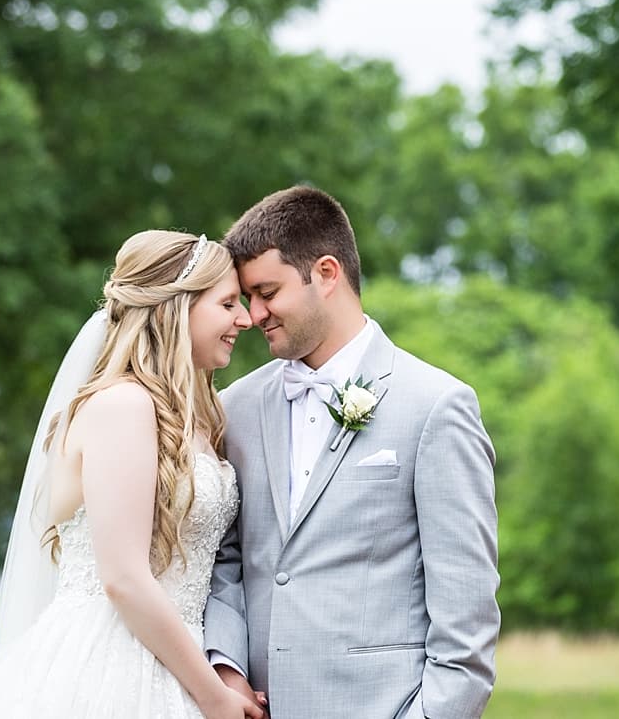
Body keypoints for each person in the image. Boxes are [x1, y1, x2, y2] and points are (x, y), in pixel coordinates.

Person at [0, 230, 263, 719]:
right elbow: (123, 578)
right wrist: (212, 697)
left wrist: (224, 675)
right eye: (228, 303)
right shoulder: (123, 406)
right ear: (176, 308)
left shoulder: (202, 416)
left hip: (180, 656)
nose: (246, 318)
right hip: (113, 663)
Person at [204, 185, 499, 719]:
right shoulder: (234, 408)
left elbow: (467, 614)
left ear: (326, 273)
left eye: (267, 292)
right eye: (247, 297)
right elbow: (222, 560)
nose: (253, 314)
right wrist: (227, 672)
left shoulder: (435, 406)